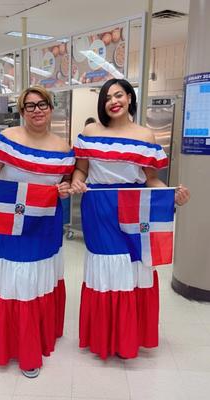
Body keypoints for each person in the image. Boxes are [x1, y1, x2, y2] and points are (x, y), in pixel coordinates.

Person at [70, 78, 190, 360]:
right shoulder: (90, 131)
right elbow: (81, 171)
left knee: (133, 267)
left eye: (119, 95)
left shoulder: (145, 135)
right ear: (102, 103)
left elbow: (151, 179)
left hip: (135, 208)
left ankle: (128, 336)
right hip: (99, 208)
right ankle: (104, 336)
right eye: (108, 97)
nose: (114, 101)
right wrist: (76, 182)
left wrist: (172, 195)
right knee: (107, 266)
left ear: (129, 98)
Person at [0, 86, 75, 378]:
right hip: (12, 222)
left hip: (46, 223)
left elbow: (63, 186)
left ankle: (39, 335)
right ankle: (21, 347)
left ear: (51, 108)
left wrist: (64, 190)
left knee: (40, 277)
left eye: (42, 104)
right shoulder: (6, 140)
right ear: (22, 110)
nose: (37, 110)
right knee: (19, 279)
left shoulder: (64, 148)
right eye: (30, 106)